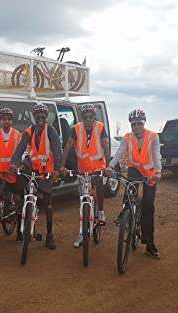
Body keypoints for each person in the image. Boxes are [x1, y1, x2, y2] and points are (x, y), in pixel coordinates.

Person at [106, 109, 162, 259]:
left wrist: (158, 172)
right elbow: (119, 153)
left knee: (148, 208)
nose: (136, 127)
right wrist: (110, 166)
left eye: (138, 124)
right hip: (135, 169)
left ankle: (150, 245)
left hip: (150, 173)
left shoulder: (153, 137)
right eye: (133, 124)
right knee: (129, 190)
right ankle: (125, 214)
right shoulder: (127, 138)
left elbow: (157, 155)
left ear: (143, 123)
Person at [9, 103, 61, 250]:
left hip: (45, 170)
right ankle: (19, 202)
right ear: (34, 116)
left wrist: (56, 169)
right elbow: (20, 148)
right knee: (20, 171)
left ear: (46, 117)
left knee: (48, 204)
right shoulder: (29, 131)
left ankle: (50, 236)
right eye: (37, 116)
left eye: (43, 116)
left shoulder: (52, 132)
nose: (40, 118)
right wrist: (13, 162)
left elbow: (57, 151)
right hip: (31, 164)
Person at [59, 103, 112, 248]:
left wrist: (108, 167)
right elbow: (68, 146)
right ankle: (82, 234)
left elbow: (106, 148)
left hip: (97, 167)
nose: (88, 119)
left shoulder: (100, 128)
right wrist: (62, 166)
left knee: (99, 183)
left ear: (94, 117)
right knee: (83, 202)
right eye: (85, 117)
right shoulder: (76, 129)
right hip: (82, 170)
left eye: (91, 116)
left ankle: (100, 212)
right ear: (82, 118)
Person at [0, 107, 23, 238]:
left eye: (9, 119)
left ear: (11, 121)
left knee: (18, 199)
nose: (6, 121)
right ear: (0, 121)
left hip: (12, 173)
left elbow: (19, 155)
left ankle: (19, 229)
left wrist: (15, 167)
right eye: (4, 119)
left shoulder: (18, 135)